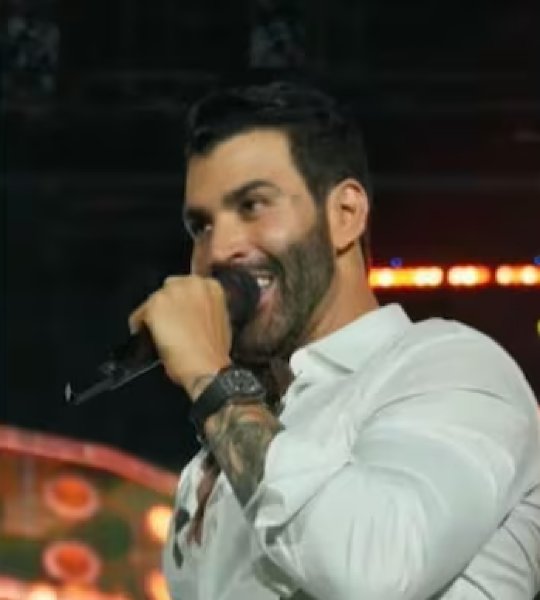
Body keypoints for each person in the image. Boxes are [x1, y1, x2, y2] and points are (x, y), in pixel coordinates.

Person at [128, 82, 540, 599]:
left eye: (253, 206)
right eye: (201, 226)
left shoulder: (452, 367)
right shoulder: (223, 450)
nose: (219, 250)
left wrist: (212, 381)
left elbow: (375, 571)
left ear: (345, 214)